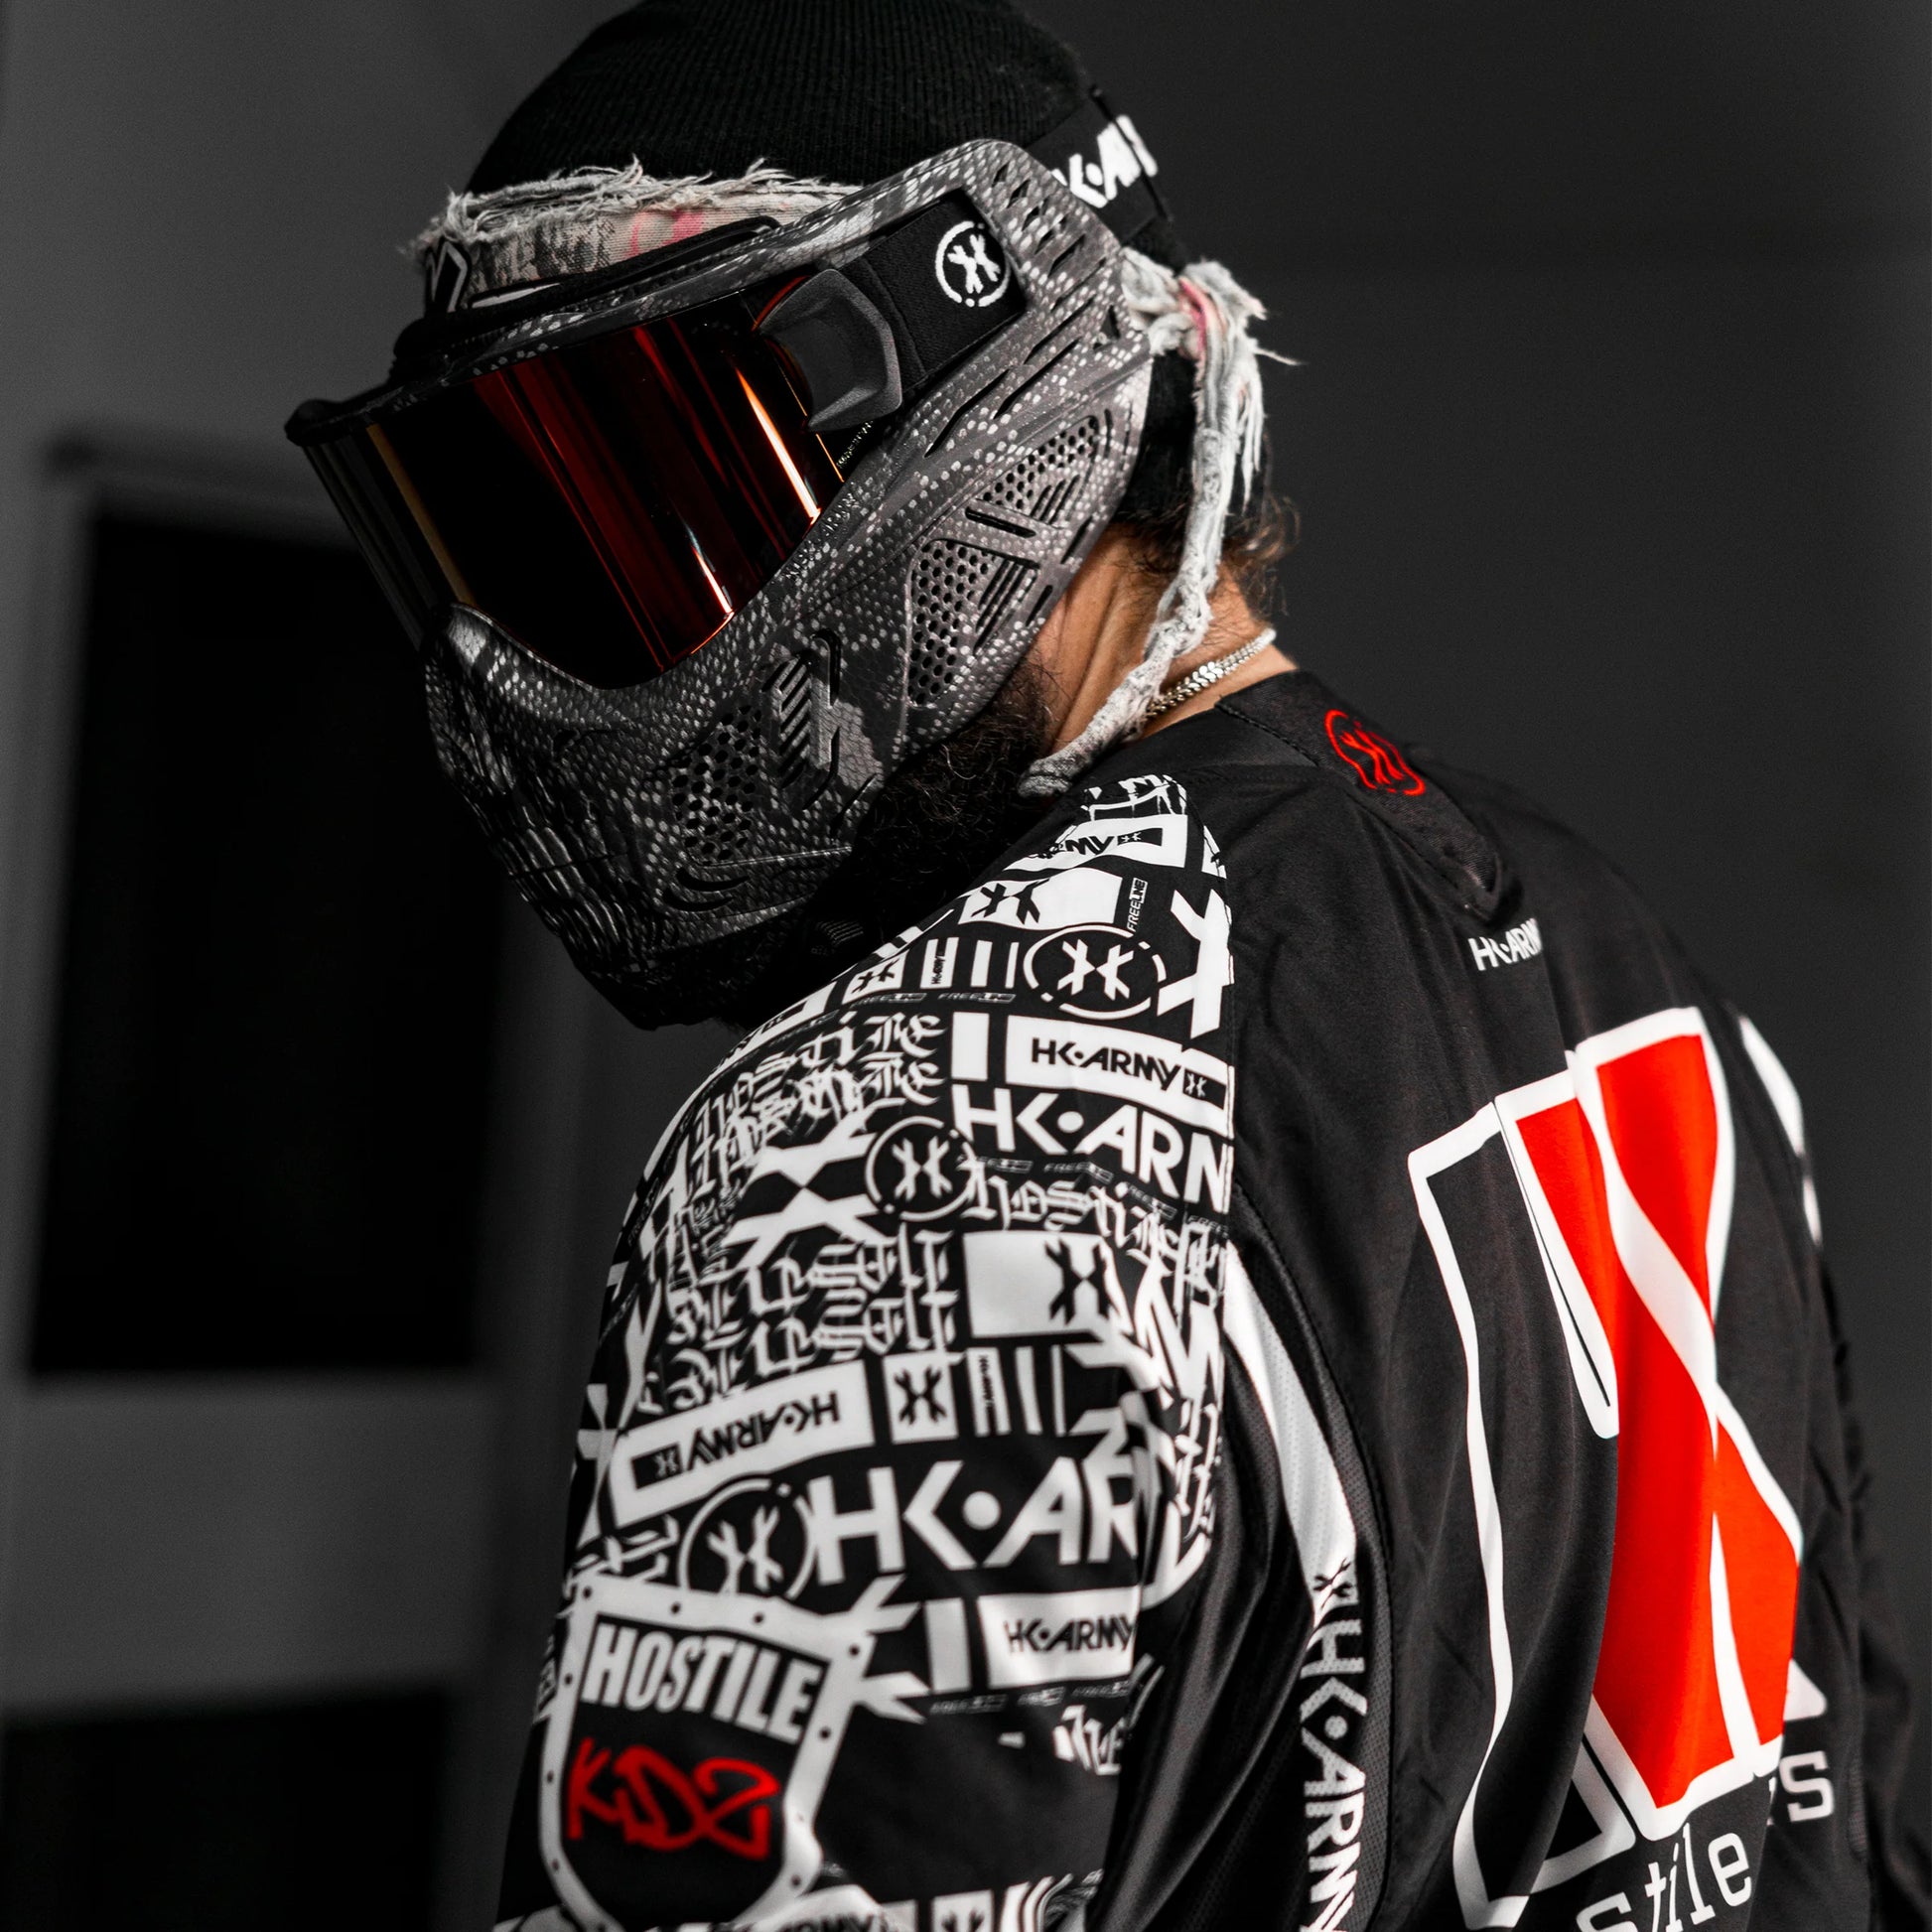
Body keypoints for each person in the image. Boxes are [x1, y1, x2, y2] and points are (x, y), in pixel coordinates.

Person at [288, 5, 1928, 1927]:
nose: (542, 664)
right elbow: (1846, 1823)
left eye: (681, 500)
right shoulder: (1621, 955)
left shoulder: (902, 1122)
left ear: (1005, 383)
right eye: (525, 539)